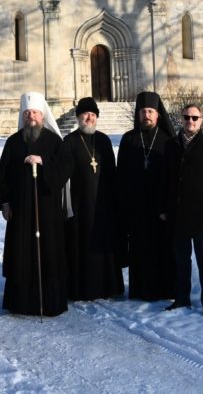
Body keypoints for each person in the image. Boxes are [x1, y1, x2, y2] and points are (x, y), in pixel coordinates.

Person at [0, 92, 71, 317]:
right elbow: (3, 175)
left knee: (48, 253)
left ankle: (49, 302)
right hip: (19, 211)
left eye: (35, 113)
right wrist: (5, 202)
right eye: (27, 113)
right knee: (21, 253)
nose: (31, 116)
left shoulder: (54, 141)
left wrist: (44, 162)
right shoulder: (13, 141)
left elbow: (66, 168)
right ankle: (19, 302)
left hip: (47, 210)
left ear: (42, 115)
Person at [160, 104, 203, 321]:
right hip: (177, 214)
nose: (190, 121)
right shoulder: (171, 146)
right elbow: (165, 180)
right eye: (187, 117)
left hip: (202, 216)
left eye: (194, 118)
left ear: (201, 120)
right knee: (181, 260)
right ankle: (182, 297)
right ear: (181, 119)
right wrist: (163, 208)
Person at [60, 98, 125, 301]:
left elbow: (113, 173)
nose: (89, 118)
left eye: (93, 115)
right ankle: (82, 289)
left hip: (103, 204)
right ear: (78, 117)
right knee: (82, 246)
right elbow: (63, 176)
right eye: (85, 115)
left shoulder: (104, 140)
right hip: (79, 205)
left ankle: (107, 287)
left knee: (104, 245)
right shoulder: (69, 141)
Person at [117, 91, 177, 302]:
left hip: (160, 208)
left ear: (158, 114)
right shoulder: (128, 139)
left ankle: (166, 290)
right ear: (138, 114)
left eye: (151, 111)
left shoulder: (169, 141)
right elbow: (120, 174)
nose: (147, 115)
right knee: (140, 251)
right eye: (143, 111)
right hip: (136, 208)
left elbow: (174, 177)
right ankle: (141, 291)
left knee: (162, 249)